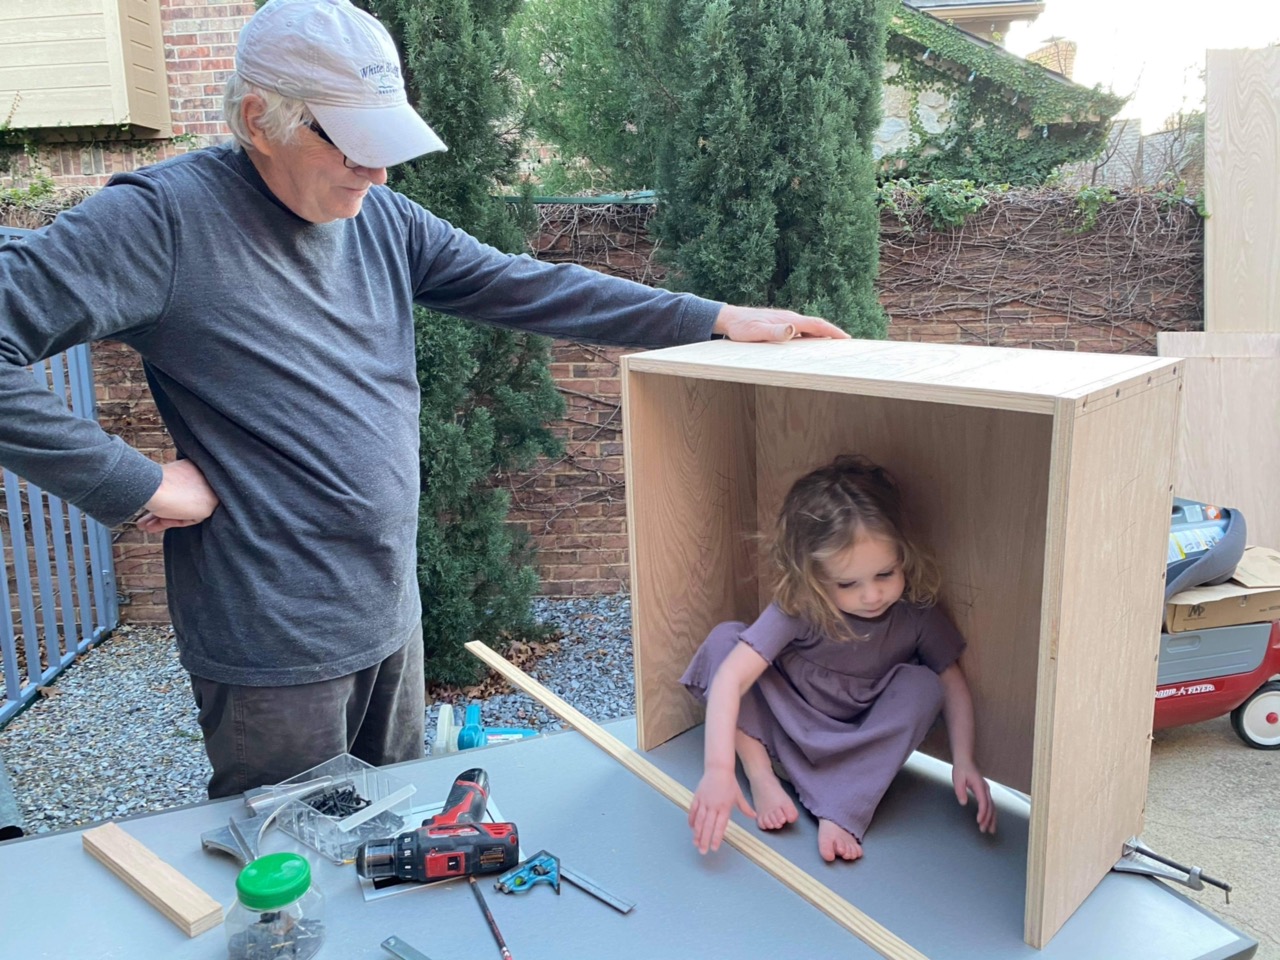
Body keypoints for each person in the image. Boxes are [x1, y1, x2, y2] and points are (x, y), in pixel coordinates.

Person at [0, 0, 848, 799]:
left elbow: (528, 285)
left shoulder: (380, 219)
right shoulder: (162, 221)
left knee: (396, 834)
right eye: (352, 146)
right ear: (260, 120)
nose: (377, 171)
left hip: (387, 611)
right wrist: (137, 484)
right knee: (299, 862)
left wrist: (713, 318)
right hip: (272, 638)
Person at [681, 455, 997, 863]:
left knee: (926, 685)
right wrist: (718, 770)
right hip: (784, 729)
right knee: (726, 642)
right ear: (813, 575)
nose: (872, 595)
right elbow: (731, 679)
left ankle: (841, 807)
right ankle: (760, 775)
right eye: (848, 583)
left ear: (903, 555)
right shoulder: (802, 606)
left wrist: (964, 759)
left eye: (886, 574)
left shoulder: (915, 612)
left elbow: (952, 684)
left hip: (853, 744)